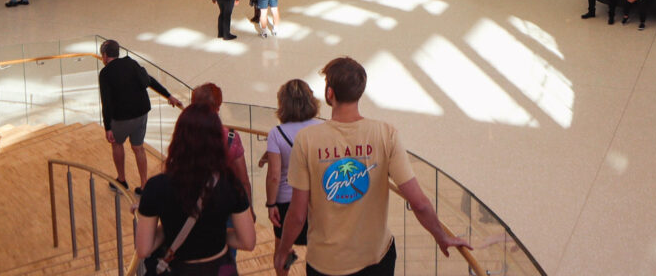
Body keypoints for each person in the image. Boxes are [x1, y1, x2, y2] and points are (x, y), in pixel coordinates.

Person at [273, 57, 468, 276]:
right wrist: (440, 236)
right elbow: (419, 203)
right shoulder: (385, 134)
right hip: (376, 259)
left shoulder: (307, 140)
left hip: (326, 263)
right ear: (359, 93)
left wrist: (283, 250)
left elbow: (298, 214)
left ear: (330, 93)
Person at [135, 105, 256, 275]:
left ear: (178, 139)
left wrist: (167, 229)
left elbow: (143, 249)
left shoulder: (156, 186)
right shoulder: (230, 184)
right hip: (219, 269)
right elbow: (248, 242)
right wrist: (217, 234)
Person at [98, 39, 184, 192]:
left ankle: (122, 180)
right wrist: (168, 95)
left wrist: (107, 127)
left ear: (105, 55)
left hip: (122, 118)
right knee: (138, 147)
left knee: (117, 144)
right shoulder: (131, 63)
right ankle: (144, 185)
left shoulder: (105, 74)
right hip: (141, 114)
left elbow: (107, 102)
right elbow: (150, 80)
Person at [261, 79, 322, 266]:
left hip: (286, 202)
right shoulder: (323, 128)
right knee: (319, 246)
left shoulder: (277, 133)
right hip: (318, 198)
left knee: (282, 248)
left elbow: (274, 176)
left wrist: (271, 204)